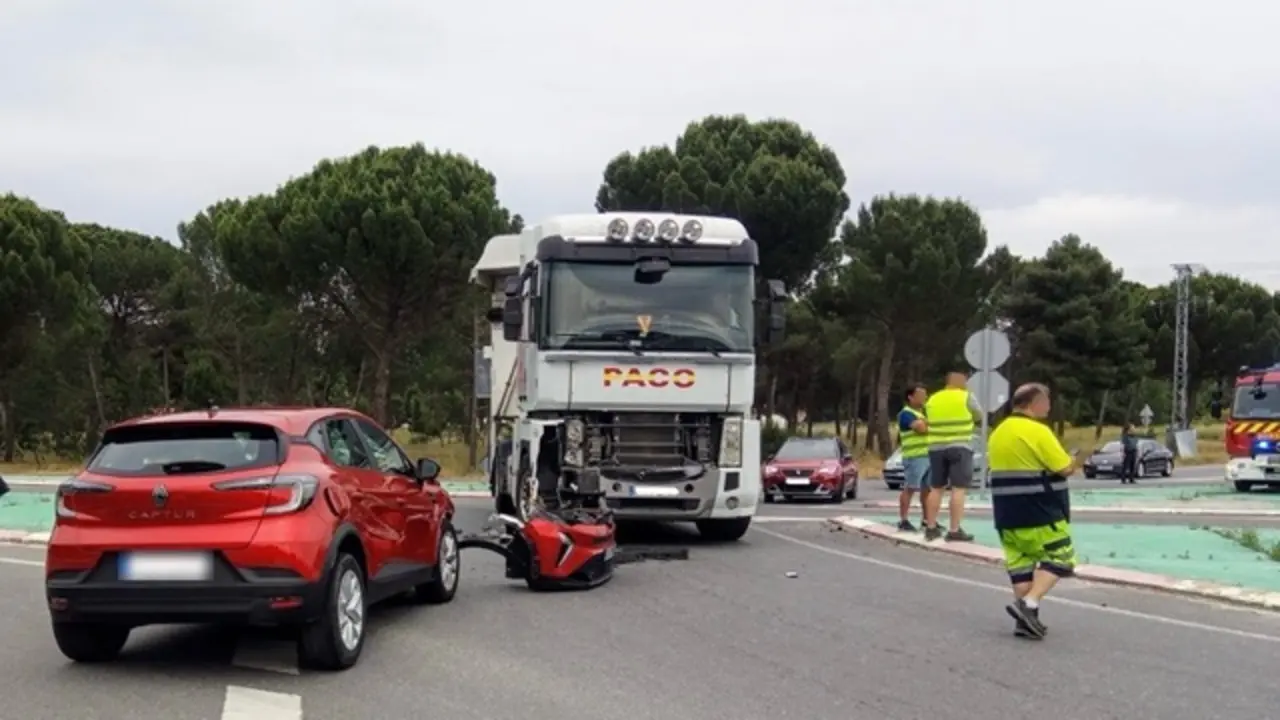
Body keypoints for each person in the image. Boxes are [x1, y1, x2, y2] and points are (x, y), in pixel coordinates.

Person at [987, 382, 1078, 639]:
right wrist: (1072, 459)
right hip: (1040, 511)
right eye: (1047, 401)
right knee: (1062, 558)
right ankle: (1028, 604)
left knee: (1021, 566)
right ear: (1035, 403)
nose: (1049, 407)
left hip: (1006, 513)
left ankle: (1026, 622)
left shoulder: (998, 432)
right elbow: (1064, 468)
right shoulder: (1037, 431)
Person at [922, 371, 981, 542]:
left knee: (936, 488)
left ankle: (931, 527)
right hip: (960, 446)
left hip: (935, 447)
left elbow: (928, 418)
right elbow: (979, 415)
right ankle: (954, 530)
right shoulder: (966, 396)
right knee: (958, 488)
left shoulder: (933, 399)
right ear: (961, 382)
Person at [895, 384, 931, 531]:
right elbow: (921, 429)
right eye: (920, 395)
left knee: (927, 489)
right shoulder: (905, 414)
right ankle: (903, 520)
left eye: (925, 395)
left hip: (927, 456)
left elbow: (928, 426)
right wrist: (929, 424)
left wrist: (927, 423)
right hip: (914, 457)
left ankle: (927, 520)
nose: (924, 398)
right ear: (910, 397)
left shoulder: (923, 413)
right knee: (910, 488)